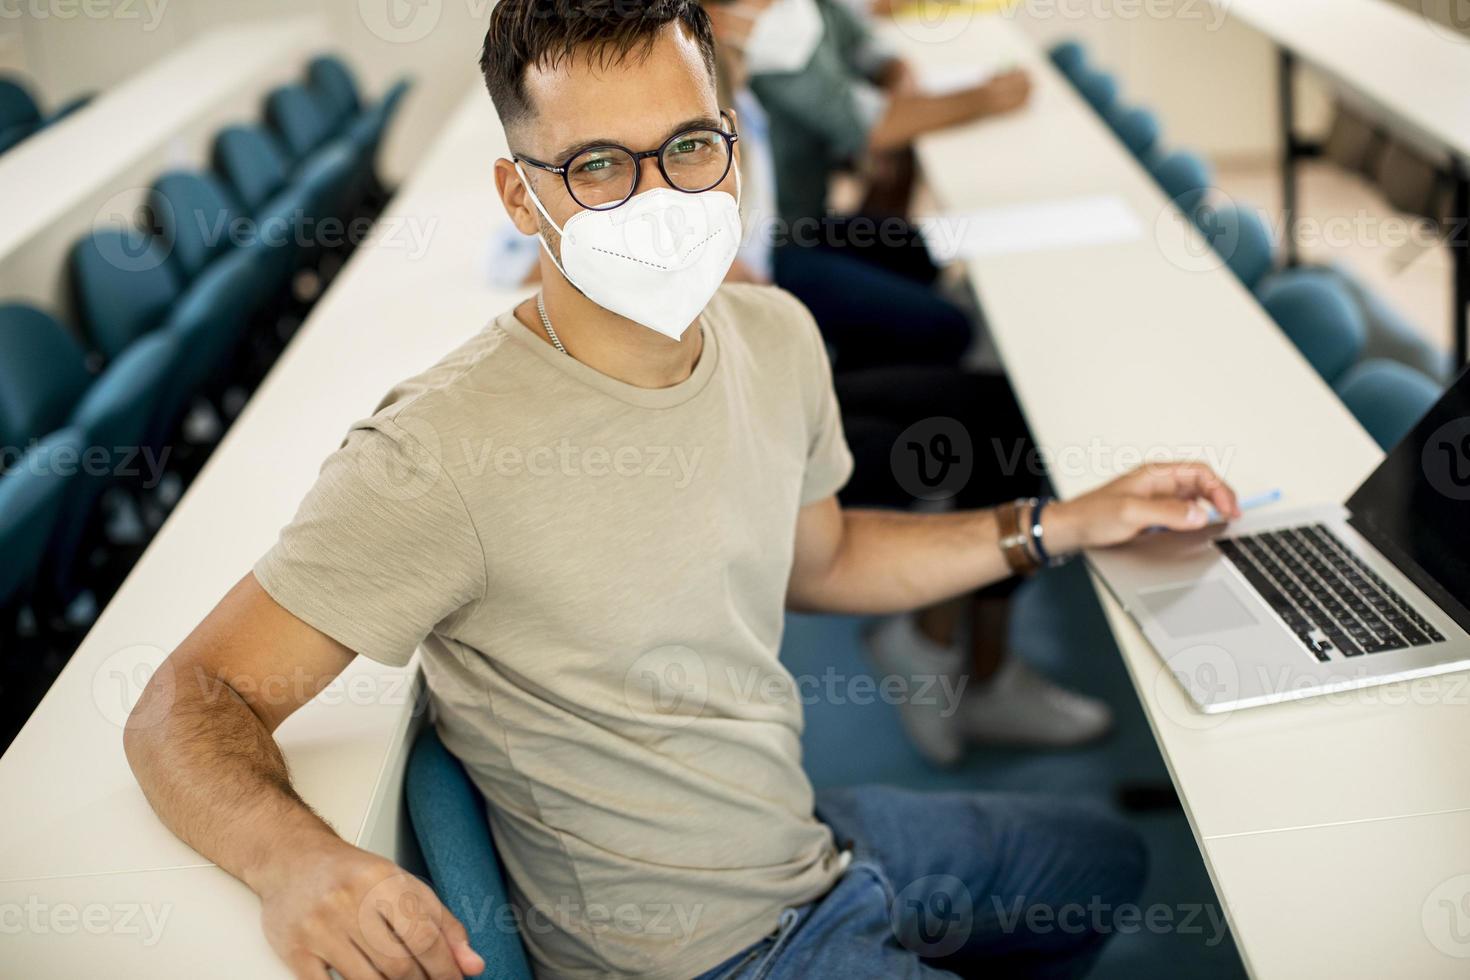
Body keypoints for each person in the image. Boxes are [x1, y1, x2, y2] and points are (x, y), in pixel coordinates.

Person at [123, 3, 1243, 978]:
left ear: (734, 140)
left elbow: (827, 560)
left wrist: (1058, 523)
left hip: (797, 835)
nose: (661, 196)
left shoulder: (775, 332)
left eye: (689, 146)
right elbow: (190, 696)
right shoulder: (434, 456)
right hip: (701, 949)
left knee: (1105, 863)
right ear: (522, 197)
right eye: (600, 165)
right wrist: (298, 862)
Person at [710, 0, 1112, 758]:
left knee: (997, 406)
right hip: (758, 410)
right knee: (995, 419)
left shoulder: (731, 84)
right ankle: (952, 661)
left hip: (783, 359)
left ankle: (951, 653)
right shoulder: (690, 105)